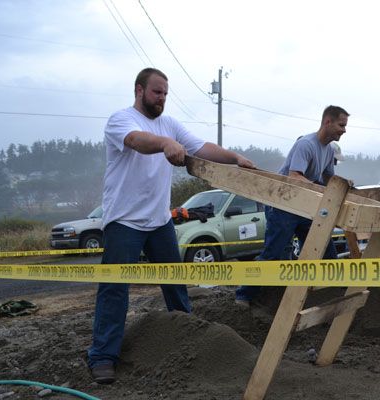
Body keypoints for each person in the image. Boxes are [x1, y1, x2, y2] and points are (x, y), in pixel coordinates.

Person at [88, 67, 255, 384]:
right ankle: (102, 356)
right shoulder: (121, 120)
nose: (162, 98)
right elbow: (137, 141)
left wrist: (234, 157)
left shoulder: (170, 124)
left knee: (175, 281)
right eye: (156, 92)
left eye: (165, 93)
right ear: (139, 90)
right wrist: (165, 143)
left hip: (159, 220)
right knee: (114, 289)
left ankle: (188, 336)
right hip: (124, 220)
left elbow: (201, 147)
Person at [235, 105, 349, 306]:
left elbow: (329, 177)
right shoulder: (306, 144)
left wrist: (344, 185)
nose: (344, 130)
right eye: (341, 125)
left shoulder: (329, 150)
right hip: (283, 205)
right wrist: (321, 190)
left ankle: (333, 296)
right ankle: (244, 295)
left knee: (325, 250)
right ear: (327, 122)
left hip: (305, 207)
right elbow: (295, 176)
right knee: (273, 254)